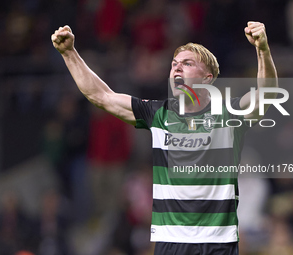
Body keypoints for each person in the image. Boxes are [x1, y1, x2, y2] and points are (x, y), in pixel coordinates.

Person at [51, 21, 278, 255]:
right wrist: (69, 54)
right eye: (174, 64)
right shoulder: (158, 114)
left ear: (208, 78)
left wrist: (262, 49)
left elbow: (267, 96)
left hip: (217, 243)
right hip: (170, 243)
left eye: (187, 64)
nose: (177, 68)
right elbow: (102, 96)